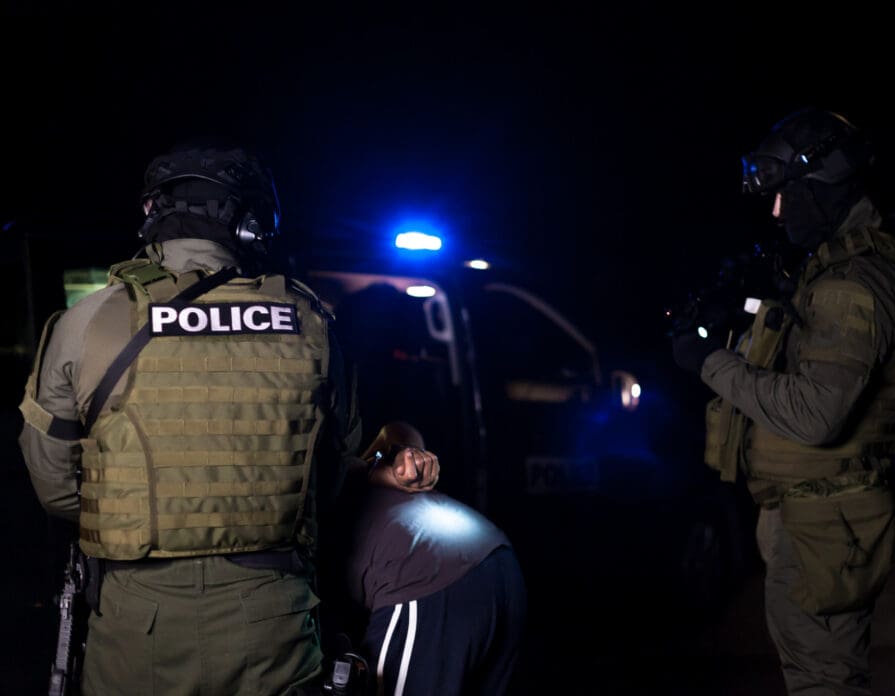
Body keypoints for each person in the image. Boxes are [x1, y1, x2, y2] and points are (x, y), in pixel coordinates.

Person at [17, 143, 439, 696]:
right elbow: (331, 475)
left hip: (135, 626)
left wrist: (137, 514)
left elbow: (56, 490)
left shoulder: (86, 321)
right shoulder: (310, 322)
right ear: (253, 223)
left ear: (152, 213)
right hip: (272, 625)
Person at [673, 108, 895, 695]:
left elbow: (817, 413)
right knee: (814, 676)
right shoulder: (841, 267)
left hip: (825, 520)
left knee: (824, 683)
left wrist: (709, 361)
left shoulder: (856, 280)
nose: (776, 212)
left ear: (822, 184)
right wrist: (746, 314)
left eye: (785, 195)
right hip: (814, 512)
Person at [323, 421, 526, 696]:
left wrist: (397, 458)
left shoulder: (325, 474)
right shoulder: (348, 473)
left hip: (426, 576)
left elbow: (399, 433)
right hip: (497, 560)